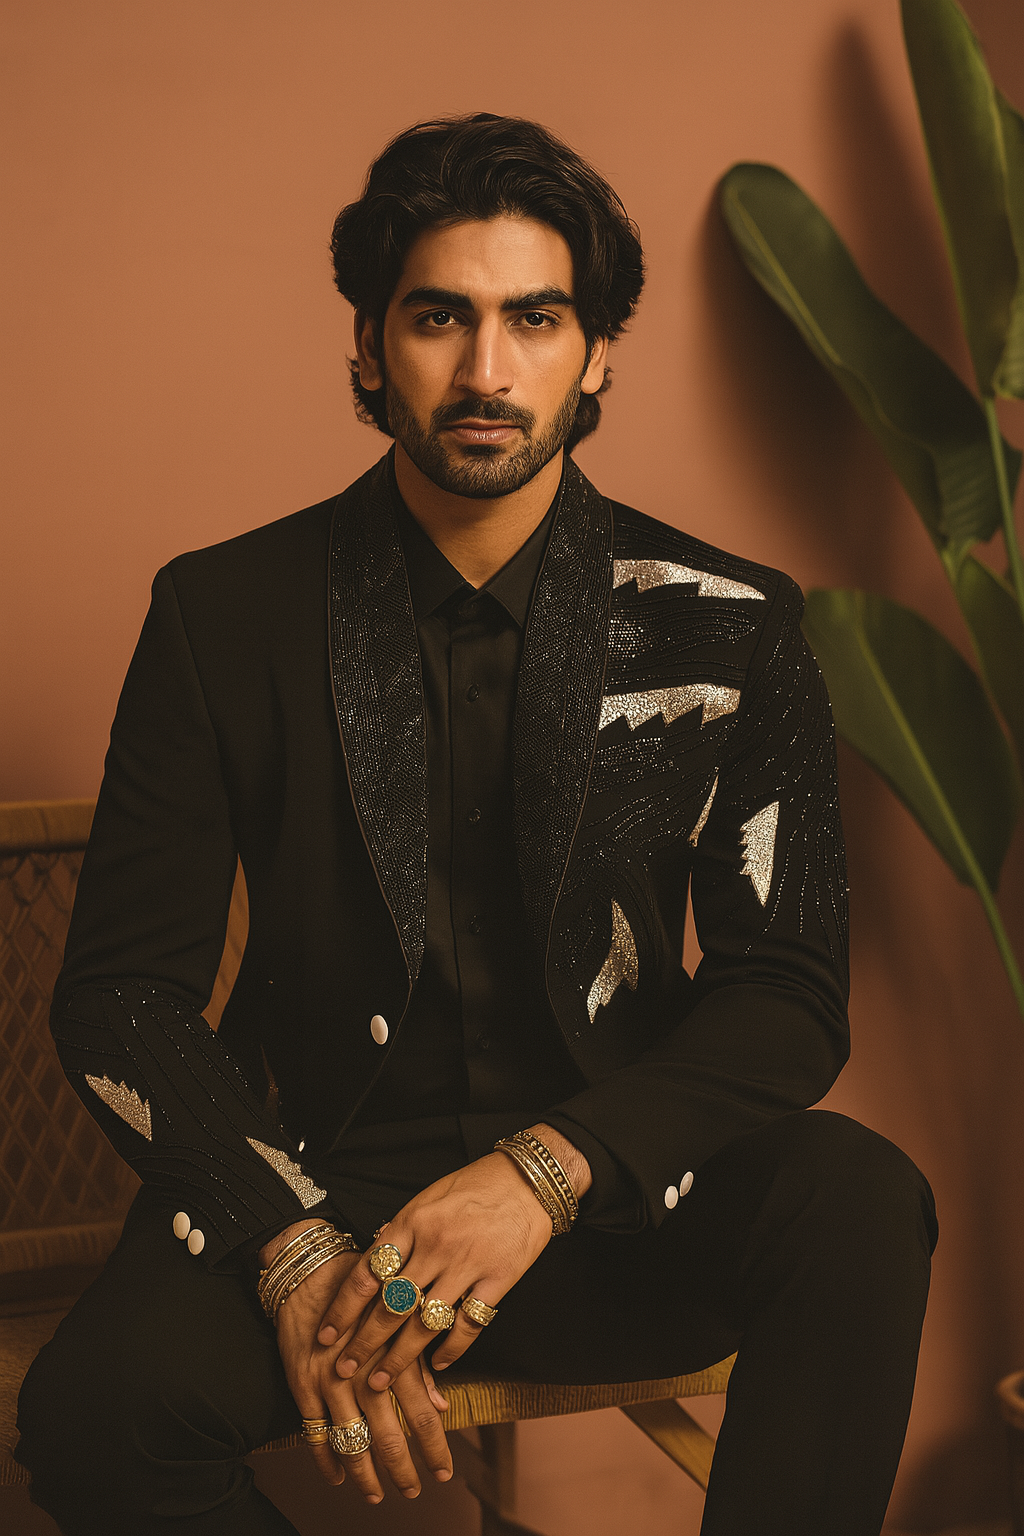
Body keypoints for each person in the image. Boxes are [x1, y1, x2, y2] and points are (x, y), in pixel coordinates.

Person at [16, 113, 936, 1535]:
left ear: (600, 354)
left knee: (864, 1204)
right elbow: (122, 998)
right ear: (371, 346)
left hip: (613, 1203)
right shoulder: (224, 615)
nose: (488, 370)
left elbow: (789, 995)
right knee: (92, 1414)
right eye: (441, 317)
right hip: (320, 1197)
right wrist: (292, 1245)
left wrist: (542, 1175)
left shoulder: (734, 625)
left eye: (537, 318)